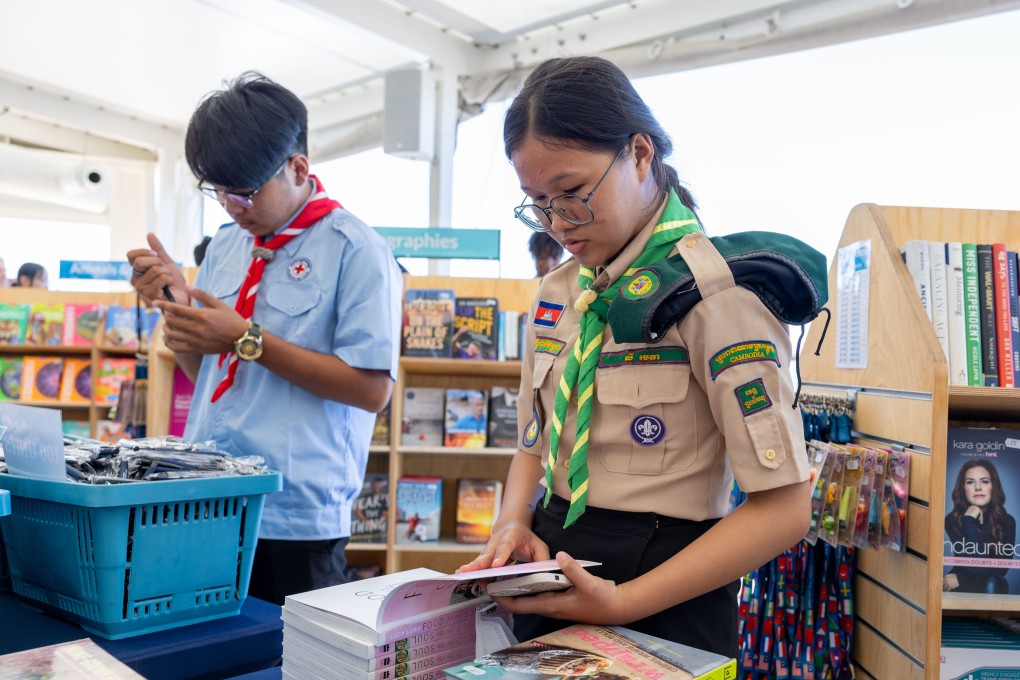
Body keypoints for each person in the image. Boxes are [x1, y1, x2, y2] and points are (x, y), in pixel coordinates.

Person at [458, 56, 811, 657]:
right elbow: (534, 442)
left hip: (668, 589)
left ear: (640, 154)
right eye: (536, 201)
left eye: (571, 193)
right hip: (554, 566)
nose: (558, 223)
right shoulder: (557, 293)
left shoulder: (715, 296)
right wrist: (513, 524)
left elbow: (785, 509)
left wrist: (621, 603)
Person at [127, 72, 402, 606]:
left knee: (296, 662)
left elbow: (373, 391)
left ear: (299, 167)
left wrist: (246, 339)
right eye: (217, 191)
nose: (231, 205)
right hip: (209, 492)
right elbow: (204, 375)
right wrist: (176, 311)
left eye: (245, 190)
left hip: (296, 512)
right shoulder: (227, 246)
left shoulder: (358, 250)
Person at [944, 459, 1017, 594]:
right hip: (959, 587)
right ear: (963, 488)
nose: (978, 487)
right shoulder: (952, 520)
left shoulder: (1007, 521)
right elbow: (975, 565)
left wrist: (962, 578)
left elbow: (1001, 570)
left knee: (992, 580)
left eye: (984, 481)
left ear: (993, 486)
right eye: (970, 482)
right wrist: (968, 520)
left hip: (981, 582)